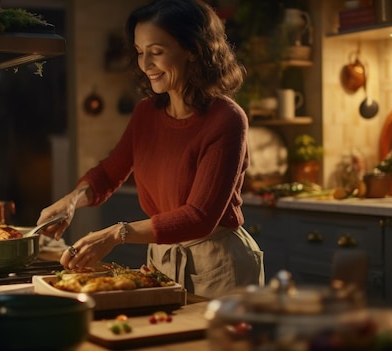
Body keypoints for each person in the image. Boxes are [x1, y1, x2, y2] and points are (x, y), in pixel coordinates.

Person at [37, 0, 264, 298]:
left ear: (193, 49)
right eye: (141, 52)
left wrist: (116, 234)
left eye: (156, 52)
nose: (145, 65)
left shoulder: (227, 119)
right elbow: (108, 173)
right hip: (162, 259)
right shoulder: (147, 113)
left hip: (219, 265)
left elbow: (199, 217)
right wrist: (70, 201)